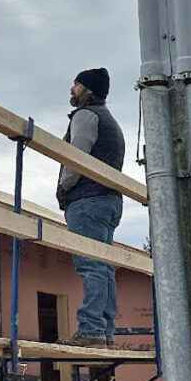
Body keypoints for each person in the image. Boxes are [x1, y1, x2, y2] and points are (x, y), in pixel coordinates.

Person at [55, 68, 126, 347]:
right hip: (108, 200)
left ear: (88, 89)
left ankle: (91, 330)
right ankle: (104, 331)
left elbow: (76, 157)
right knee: (103, 265)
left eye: (77, 84)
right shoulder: (108, 120)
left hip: (87, 200)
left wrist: (65, 186)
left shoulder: (87, 116)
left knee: (91, 264)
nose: (72, 89)